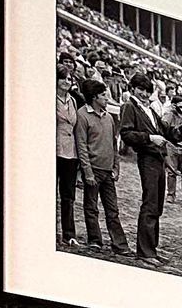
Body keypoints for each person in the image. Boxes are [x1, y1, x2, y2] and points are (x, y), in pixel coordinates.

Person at [118, 70, 171, 262]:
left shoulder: (150, 110)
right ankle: (145, 252)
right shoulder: (129, 106)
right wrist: (149, 138)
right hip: (147, 158)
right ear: (132, 88)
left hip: (158, 159)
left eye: (147, 91)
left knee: (157, 206)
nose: (144, 94)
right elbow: (126, 134)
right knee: (149, 204)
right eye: (140, 89)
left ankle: (152, 248)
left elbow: (166, 131)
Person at [73, 75, 127, 252]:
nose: (106, 98)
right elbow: (81, 145)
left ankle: (120, 244)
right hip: (93, 170)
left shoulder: (109, 118)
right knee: (91, 207)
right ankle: (95, 239)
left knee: (113, 210)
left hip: (108, 170)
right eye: (104, 95)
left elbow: (114, 144)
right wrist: (87, 172)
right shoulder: (82, 116)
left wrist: (116, 166)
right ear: (95, 97)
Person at [54, 66, 84, 245]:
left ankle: (69, 234)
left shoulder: (73, 101)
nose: (67, 81)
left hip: (70, 152)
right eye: (63, 78)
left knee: (68, 195)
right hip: (55, 149)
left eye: (69, 79)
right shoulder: (51, 98)